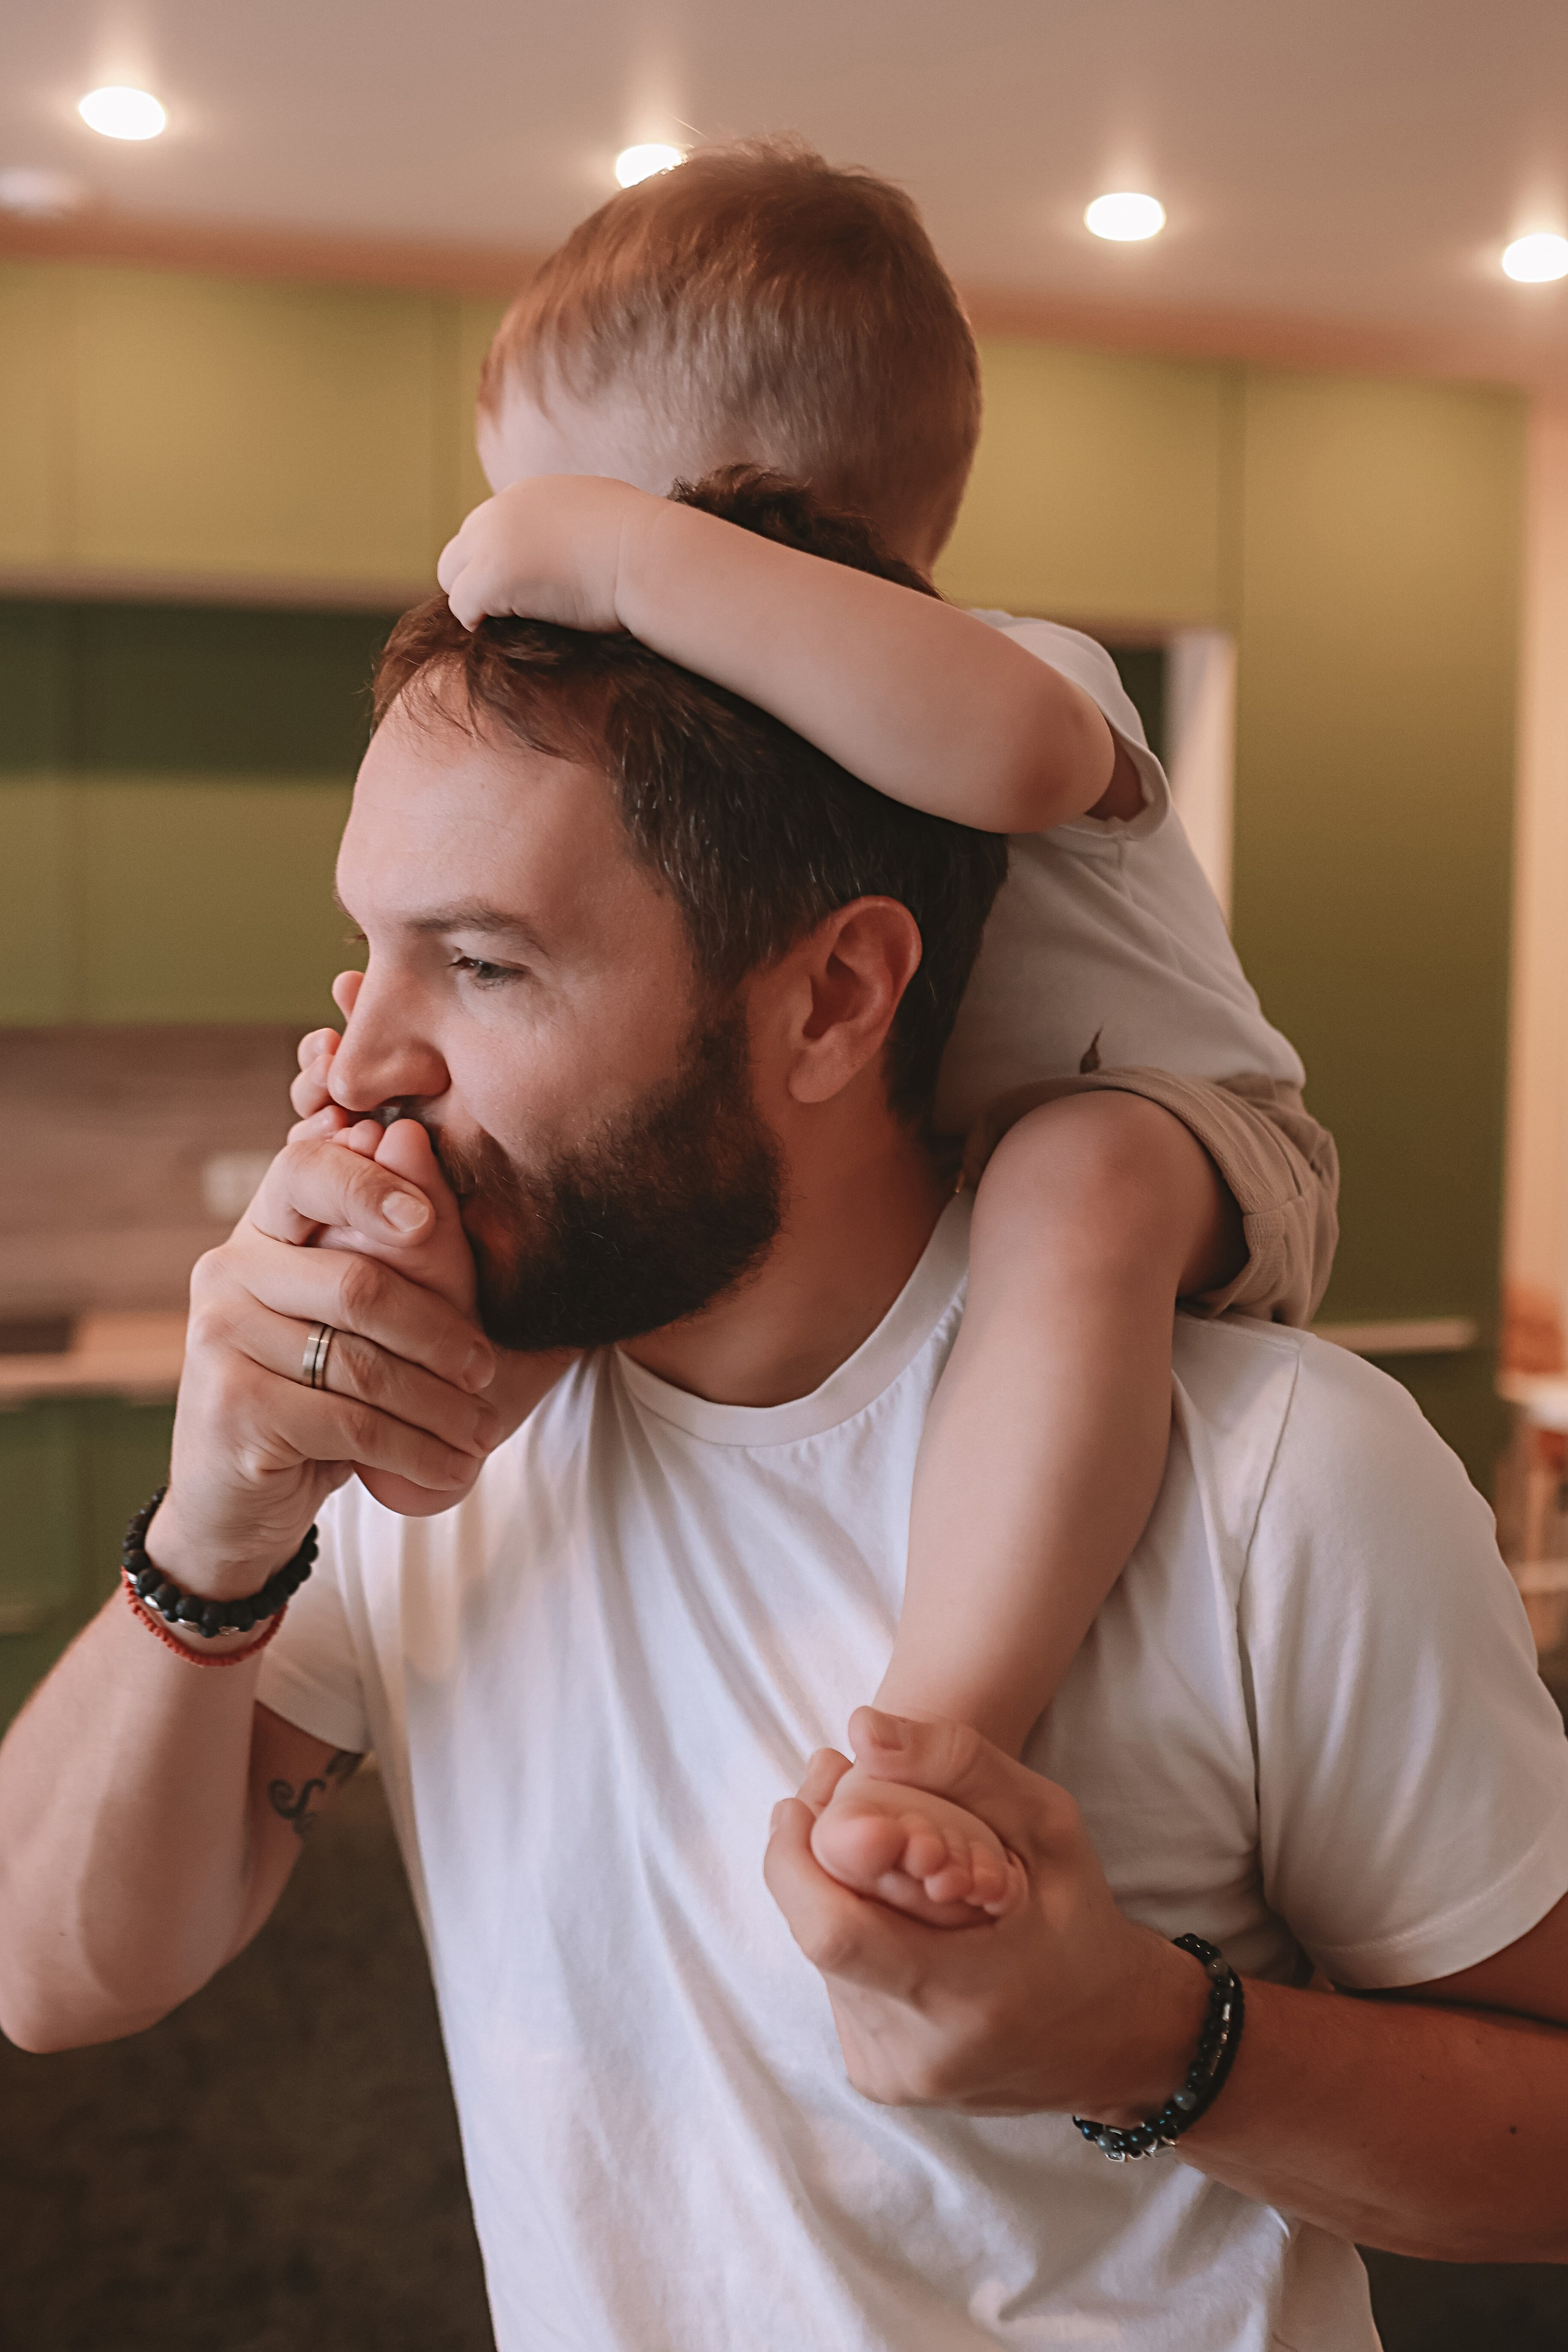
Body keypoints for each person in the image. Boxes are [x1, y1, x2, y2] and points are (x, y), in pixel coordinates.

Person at [2, 479, 1566, 2352]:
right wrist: (217, 1525)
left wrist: (1152, 2039)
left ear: (833, 999)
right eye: (374, 948)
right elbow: (50, 1974)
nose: (359, 1063)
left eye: (483, 964)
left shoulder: (1283, 1479)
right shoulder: (433, 1429)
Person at [291, 140, 1338, 1921]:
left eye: (555, 524)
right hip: (913, 1202)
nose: (532, 596)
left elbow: (1014, 760)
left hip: (1190, 1138)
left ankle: (946, 1729)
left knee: (1072, 1179)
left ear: (732, 520)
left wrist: (625, 558)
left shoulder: (1010, 668)